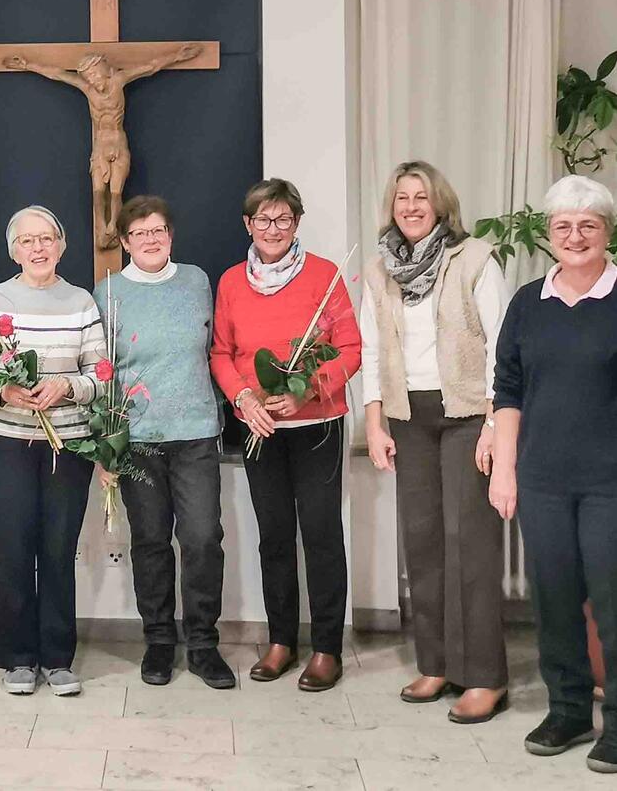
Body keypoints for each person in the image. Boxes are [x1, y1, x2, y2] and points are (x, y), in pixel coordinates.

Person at [361, 161, 510, 723]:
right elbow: (374, 353)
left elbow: (501, 346)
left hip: (470, 413)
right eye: (402, 197)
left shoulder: (475, 260)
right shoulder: (381, 271)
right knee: (421, 538)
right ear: (392, 206)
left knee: (469, 539)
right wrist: (375, 422)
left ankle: (486, 676)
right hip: (409, 415)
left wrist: (495, 423)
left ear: (440, 203)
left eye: (421, 196)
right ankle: (437, 663)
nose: (411, 206)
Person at [210, 178, 361, 692]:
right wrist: (244, 400)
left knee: (320, 536)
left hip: (316, 426)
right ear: (247, 225)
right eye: (262, 220)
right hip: (261, 429)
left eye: (283, 220)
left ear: (296, 223)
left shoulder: (325, 275)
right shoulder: (231, 281)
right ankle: (280, 640)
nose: (273, 229)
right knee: (273, 536)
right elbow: (221, 354)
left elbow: (350, 348)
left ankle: (326, 648)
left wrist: (308, 393)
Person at [491, 175, 617, 773]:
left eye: (588, 225)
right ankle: (567, 709)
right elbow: (508, 392)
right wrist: (505, 473)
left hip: (609, 483)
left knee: (614, 602)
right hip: (541, 479)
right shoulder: (526, 302)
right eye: (563, 226)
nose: (575, 236)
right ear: (548, 234)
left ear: (606, 232)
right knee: (555, 599)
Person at [0, 205, 106, 696]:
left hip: (67, 443)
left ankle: (59, 658)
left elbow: (100, 376)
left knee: (59, 549)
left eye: (46, 239)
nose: (38, 248)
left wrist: (67, 387)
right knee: (14, 548)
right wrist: (4, 391)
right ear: (13, 250)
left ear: (61, 246)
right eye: (27, 241)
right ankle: (19, 658)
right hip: (5, 444)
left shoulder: (82, 301)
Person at [91, 195, 231, 689]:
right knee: (150, 542)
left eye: (159, 230)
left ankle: (203, 644)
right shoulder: (107, 293)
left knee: (201, 539)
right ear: (125, 241)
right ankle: (158, 641)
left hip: (195, 433)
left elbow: (217, 349)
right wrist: (104, 447)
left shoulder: (197, 282)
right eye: (140, 233)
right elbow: (100, 372)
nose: (151, 239)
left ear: (171, 234)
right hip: (138, 439)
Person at [3, 45, 199, 250]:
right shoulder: (87, 89)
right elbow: (58, 74)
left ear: (105, 71)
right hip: (100, 146)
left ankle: (114, 227)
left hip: (118, 142)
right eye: (88, 77)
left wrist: (177, 56)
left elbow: (150, 66)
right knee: (98, 191)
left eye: (95, 74)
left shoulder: (118, 81)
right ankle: (101, 231)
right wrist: (27, 65)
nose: (93, 80)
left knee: (115, 192)